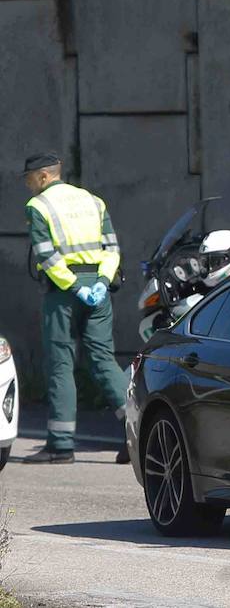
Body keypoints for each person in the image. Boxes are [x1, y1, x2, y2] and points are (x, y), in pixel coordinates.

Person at [20, 152, 129, 464]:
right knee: (104, 360)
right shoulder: (94, 201)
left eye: (29, 178)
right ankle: (138, 433)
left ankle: (60, 444)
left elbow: (46, 256)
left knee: (60, 364)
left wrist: (74, 286)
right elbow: (112, 248)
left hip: (64, 292)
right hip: (98, 289)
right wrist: (101, 281)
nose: (27, 184)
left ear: (43, 176)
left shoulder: (38, 206)